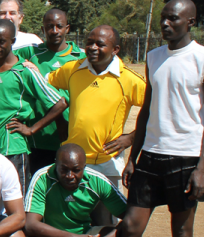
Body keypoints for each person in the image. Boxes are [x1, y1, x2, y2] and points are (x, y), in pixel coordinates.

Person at [78, 0, 204, 237]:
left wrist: (202, 167)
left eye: (173, 19)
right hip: (151, 158)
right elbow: (145, 113)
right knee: (129, 229)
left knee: (182, 233)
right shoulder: (154, 58)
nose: (166, 25)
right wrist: (134, 156)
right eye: (163, 19)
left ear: (191, 21)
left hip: (186, 160)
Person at [48, 25, 145, 225]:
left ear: (115, 49)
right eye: (89, 42)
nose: (92, 47)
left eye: (100, 44)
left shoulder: (128, 79)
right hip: (72, 164)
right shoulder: (73, 69)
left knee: (106, 221)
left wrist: (130, 138)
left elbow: (156, 110)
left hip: (106, 162)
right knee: (72, 216)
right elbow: (45, 84)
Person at [0, 20, 67, 190]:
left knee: (16, 201)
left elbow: (60, 103)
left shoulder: (25, 71)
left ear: (12, 41)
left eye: (1, 41)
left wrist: (31, 129)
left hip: (14, 148)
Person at [15, 9, 86, 173]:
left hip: (71, 135)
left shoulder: (81, 57)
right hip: (39, 138)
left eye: (59, 26)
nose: (54, 31)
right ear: (43, 29)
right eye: (49, 26)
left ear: (67, 28)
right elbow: (2, 55)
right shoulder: (31, 52)